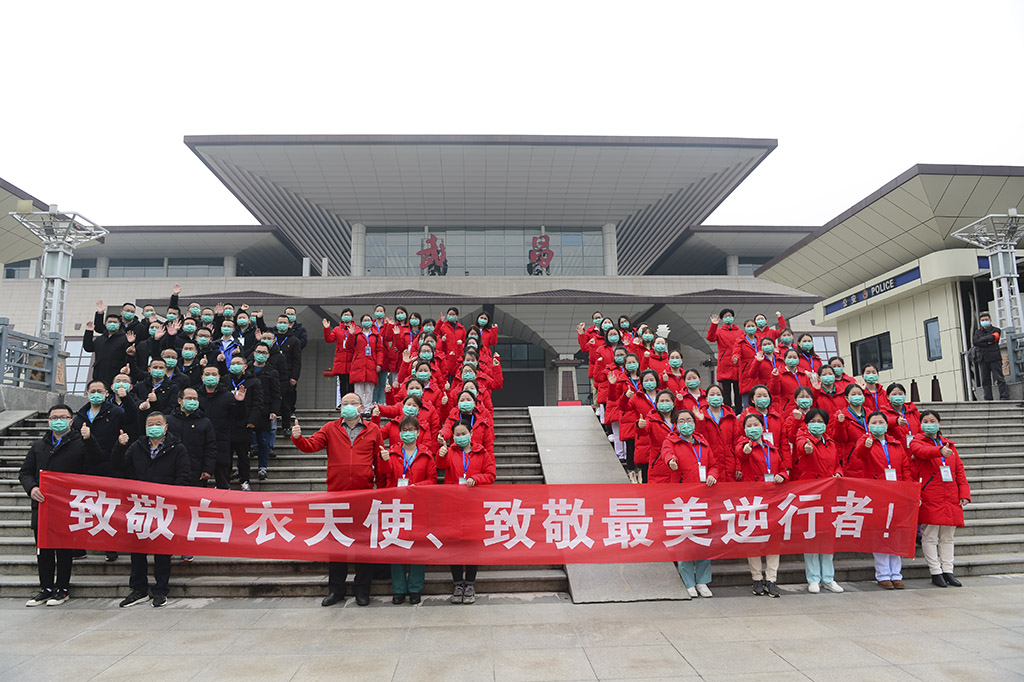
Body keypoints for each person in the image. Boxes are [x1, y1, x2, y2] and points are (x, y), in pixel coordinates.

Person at [291, 393, 385, 607]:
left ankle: (362, 589)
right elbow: (310, 446)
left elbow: (379, 462)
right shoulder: (330, 428)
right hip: (337, 495)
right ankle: (336, 590)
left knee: (363, 544)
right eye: (345, 403)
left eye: (353, 403)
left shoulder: (373, 430)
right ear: (340, 408)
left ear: (361, 407)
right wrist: (298, 438)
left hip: (363, 495)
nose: (349, 406)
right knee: (336, 544)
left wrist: (380, 491)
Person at [20, 405, 104, 606]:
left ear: (71, 421)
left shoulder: (80, 443)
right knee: (44, 550)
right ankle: (46, 588)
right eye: (54, 417)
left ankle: (62, 588)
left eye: (63, 417)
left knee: (64, 550)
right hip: (42, 506)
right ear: (49, 421)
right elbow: (25, 472)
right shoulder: (39, 446)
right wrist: (32, 488)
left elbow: (97, 461)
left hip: (67, 506)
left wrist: (89, 440)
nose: (58, 420)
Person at [114, 413, 191, 607]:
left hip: (164, 506)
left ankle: (160, 590)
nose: (154, 426)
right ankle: (138, 589)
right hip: (139, 505)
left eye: (158, 423)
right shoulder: (137, 446)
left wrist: (171, 497)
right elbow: (120, 467)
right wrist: (119, 446)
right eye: (150, 424)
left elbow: (183, 475)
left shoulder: (177, 448)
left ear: (166, 427)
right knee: (137, 549)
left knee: (162, 550)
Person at [659, 408, 717, 599]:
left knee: (703, 540)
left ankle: (702, 581)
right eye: (682, 421)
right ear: (676, 424)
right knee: (684, 541)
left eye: (689, 420)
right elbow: (666, 454)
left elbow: (713, 465)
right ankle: (688, 582)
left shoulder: (702, 442)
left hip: (703, 498)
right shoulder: (671, 441)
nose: (686, 424)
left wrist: (712, 475)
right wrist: (671, 461)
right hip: (683, 500)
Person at [851, 411, 912, 590]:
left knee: (896, 533)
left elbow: (906, 469)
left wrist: (909, 491)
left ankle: (896, 574)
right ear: (868, 425)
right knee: (880, 533)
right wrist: (866, 445)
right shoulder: (865, 441)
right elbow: (859, 455)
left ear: (887, 425)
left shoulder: (896, 444)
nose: (878, 425)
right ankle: (883, 574)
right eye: (874, 422)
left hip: (897, 492)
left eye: (881, 422)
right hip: (877, 493)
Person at [909, 411, 971, 588]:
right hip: (930, 494)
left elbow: (959, 470)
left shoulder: (949, 445)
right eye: (926, 421)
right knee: (930, 536)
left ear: (939, 423)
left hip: (950, 495)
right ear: (921, 424)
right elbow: (922, 452)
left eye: (933, 421)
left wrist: (964, 494)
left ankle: (948, 570)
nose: (930, 424)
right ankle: (935, 571)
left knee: (948, 537)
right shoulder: (916, 442)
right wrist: (939, 451)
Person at [380, 417, 436, 604]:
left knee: (418, 547)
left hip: (419, 506)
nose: (408, 433)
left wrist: (416, 487)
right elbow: (385, 476)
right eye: (404, 430)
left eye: (411, 430)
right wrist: (383, 461)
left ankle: (415, 588)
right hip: (396, 506)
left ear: (418, 433)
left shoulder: (426, 454)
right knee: (396, 546)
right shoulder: (392, 453)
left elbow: (432, 480)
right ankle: (399, 589)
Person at [437, 422, 495, 604]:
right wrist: (441, 454)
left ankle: (470, 584)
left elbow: (491, 474)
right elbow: (441, 465)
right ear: (453, 436)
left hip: (473, 505)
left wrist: (476, 479)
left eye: (464, 433)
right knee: (453, 545)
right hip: (452, 504)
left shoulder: (482, 453)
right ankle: (457, 584)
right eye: (457, 434)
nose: (461, 436)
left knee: (471, 545)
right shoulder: (450, 451)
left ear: (471, 433)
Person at [735, 413, 788, 597]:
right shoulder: (744, 444)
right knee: (754, 539)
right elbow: (741, 454)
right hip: (753, 499)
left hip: (773, 499)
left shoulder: (772, 448)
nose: (753, 428)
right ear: (744, 429)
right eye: (749, 425)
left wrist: (782, 475)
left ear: (762, 426)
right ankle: (757, 577)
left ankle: (771, 578)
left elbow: (782, 468)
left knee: (773, 540)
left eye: (756, 424)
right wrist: (747, 449)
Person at [794, 409, 844, 594]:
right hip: (811, 494)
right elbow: (801, 447)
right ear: (807, 424)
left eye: (820, 421)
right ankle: (813, 578)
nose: (817, 424)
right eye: (813, 421)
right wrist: (806, 448)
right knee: (811, 536)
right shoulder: (803, 438)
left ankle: (828, 578)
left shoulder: (830, 442)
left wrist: (838, 473)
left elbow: (837, 464)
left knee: (827, 537)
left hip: (829, 494)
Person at [706, 309, 743, 412]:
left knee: (738, 392)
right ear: (722, 319)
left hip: (737, 364)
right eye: (726, 316)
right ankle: (727, 411)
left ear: (733, 318)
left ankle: (739, 412)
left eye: (730, 316)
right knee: (726, 392)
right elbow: (710, 338)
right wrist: (714, 325)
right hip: (725, 365)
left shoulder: (740, 332)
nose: (728, 318)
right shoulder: (719, 331)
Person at [972, 312, 1009, 400]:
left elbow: (994, 338)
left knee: (999, 378)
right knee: (985, 380)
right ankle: (988, 398)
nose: (984, 321)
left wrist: (982, 340)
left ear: (990, 320)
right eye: (982, 320)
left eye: (986, 320)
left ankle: (1004, 397)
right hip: (983, 358)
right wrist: (987, 342)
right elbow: (975, 342)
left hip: (994, 358)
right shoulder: (978, 332)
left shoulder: (996, 330)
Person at [350, 314, 384, 407]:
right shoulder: (356, 334)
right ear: (361, 323)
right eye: (365, 320)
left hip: (371, 364)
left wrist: (379, 364)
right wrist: (351, 335)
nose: (367, 322)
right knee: (358, 390)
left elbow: (380, 351)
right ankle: (359, 408)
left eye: (368, 320)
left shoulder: (376, 335)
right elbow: (349, 346)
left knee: (370, 389)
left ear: (371, 322)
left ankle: (368, 408)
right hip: (358, 364)